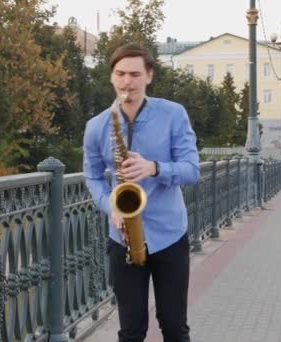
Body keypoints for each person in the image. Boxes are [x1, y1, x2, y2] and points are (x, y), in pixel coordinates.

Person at [83, 44, 199, 342]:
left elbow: (192, 170)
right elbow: (93, 177)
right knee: (131, 331)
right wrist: (111, 205)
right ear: (111, 77)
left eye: (135, 74)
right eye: (120, 74)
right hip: (121, 236)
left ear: (149, 76)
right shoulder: (97, 126)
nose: (127, 82)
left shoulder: (173, 114)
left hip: (169, 235)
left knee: (174, 326)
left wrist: (155, 168)